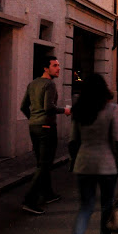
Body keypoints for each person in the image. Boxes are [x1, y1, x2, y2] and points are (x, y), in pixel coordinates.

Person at [67, 74, 118, 234]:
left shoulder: (79, 110)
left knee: (85, 207)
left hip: (84, 163)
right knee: (106, 205)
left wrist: (74, 162)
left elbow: (73, 141)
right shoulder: (112, 109)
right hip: (107, 165)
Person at [19, 56, 71, 215]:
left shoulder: (32, 83)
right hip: (47, 127)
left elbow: (23, 106)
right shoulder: (49, 84)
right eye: (55, 65)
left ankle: (48, 194)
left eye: (58, 65)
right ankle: (29, 200)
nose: (58, 68)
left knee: (42, 163)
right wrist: (65, 110)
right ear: (45, 68)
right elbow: (49, 108)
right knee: (45, 164)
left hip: (34, 127)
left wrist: (33, 119)